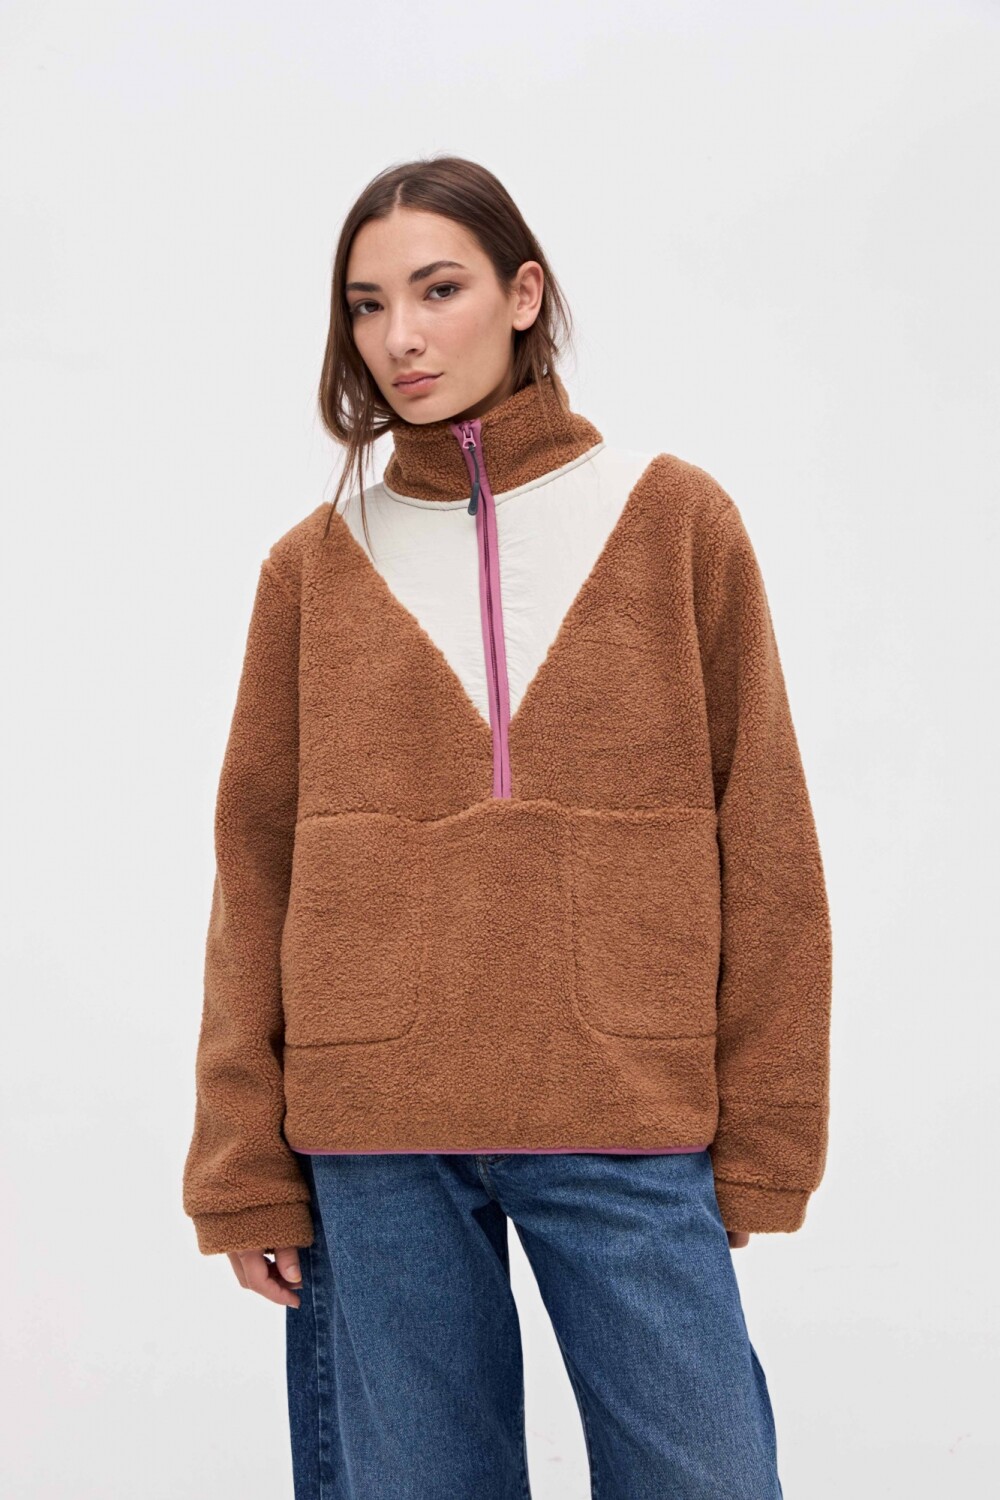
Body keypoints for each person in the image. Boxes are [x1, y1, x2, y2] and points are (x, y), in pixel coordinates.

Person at [182, 154, 832, 1499]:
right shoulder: (314, 566)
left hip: (623, 1103)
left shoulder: (673, 519)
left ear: (524, 294)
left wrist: (768, 1135)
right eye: (368, 306)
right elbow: (256, 873)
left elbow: (766, 837)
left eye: (439, 291)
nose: (400, 339)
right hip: (373, 1127)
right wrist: (244, 1164)